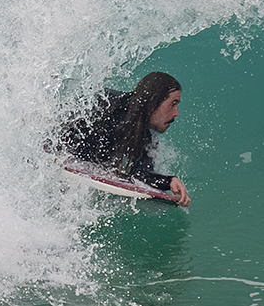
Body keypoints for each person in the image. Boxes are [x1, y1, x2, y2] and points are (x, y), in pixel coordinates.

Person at [57, 71, 191, 206]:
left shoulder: (144, 134)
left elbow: (140, 176)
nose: (177, 113)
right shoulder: (108, 106)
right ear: (153, 103)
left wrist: (169, 181)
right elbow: (64, 132)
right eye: (173, 104)